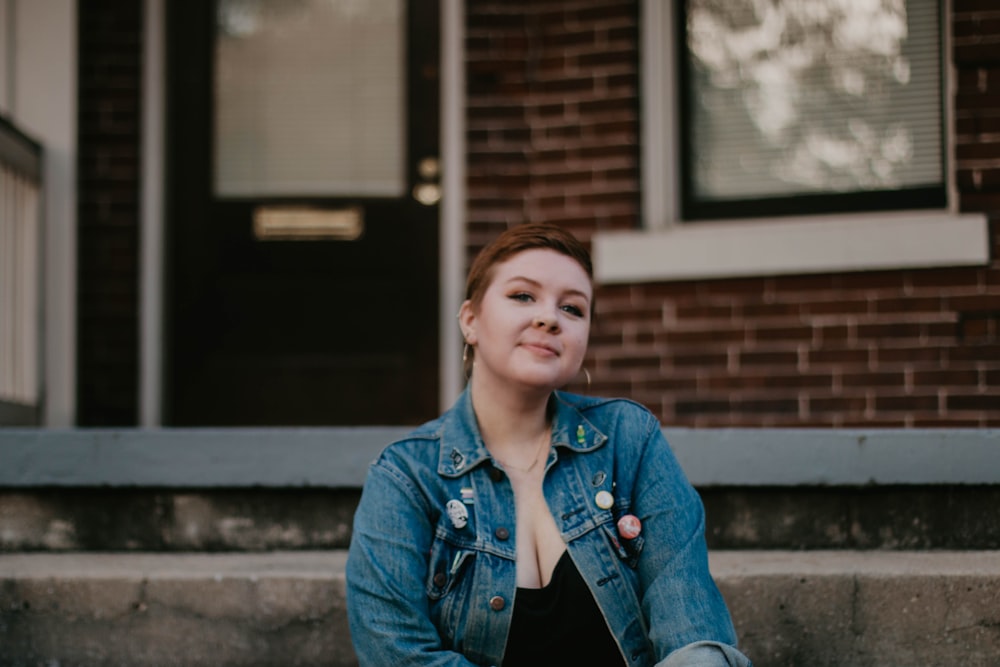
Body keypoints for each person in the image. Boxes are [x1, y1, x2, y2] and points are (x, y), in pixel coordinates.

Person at [346, 223, 751, 666]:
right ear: (470, 320)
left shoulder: (628, 439)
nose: (549, 318)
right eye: (523, 296)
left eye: (573, 308)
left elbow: (691, 629)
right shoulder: (407, 476)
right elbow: (399, 656)